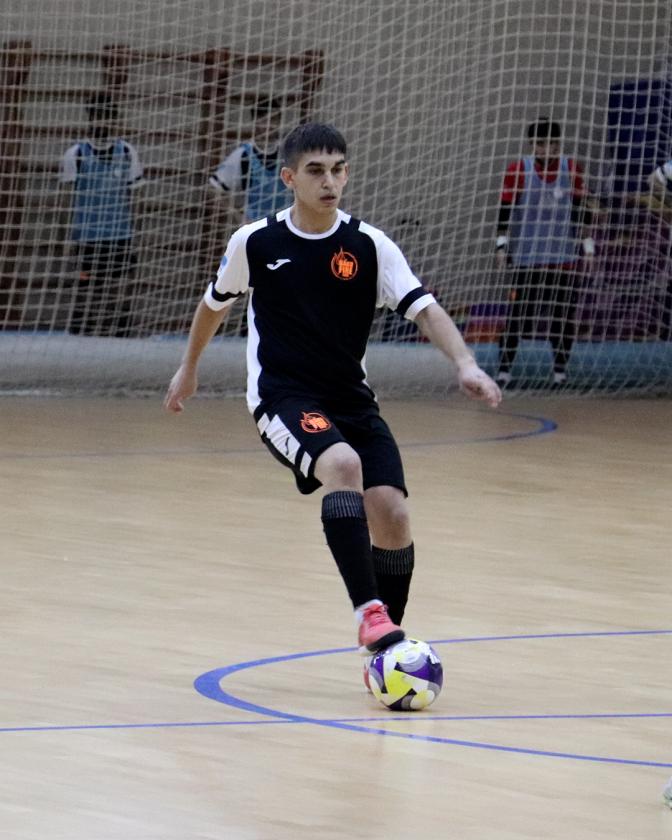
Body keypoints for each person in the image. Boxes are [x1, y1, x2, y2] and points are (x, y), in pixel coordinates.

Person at [165, 123, 501, 662]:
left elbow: (425, 309)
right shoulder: (255, 241)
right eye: (316, 171)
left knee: (392, 513)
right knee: (343, 466)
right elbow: (213, 304)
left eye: (338, 170)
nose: (329, 181)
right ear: (289, 178)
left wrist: (465, 363)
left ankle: (387, 645)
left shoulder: (369, 245)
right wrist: (189, 368)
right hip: (282, 398)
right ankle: (368, 612)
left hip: (351, 399)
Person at [494, 117, 595, 387]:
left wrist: (588, 246)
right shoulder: (518, 170)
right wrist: (501, 245)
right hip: (527, 258)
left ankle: (560, 372)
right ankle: (504, 371)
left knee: (562, 316)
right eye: (540, 143)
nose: (546, 149)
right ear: (532, 145)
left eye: (551, 143)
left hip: (563, 258)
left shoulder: (571, 169)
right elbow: (505, 210)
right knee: (518, 316)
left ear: (558, 144)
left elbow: (581, 210)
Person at [60, 92, 145, 336]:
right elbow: (65, 200)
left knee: (120, 286)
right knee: (86, 287)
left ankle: (120, 329)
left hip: (120, 233)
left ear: (114, 120)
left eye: (107, 117)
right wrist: (66, 237)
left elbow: (137, 196)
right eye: (98, 116)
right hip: (87, 235)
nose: (103, 122)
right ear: (91, 118)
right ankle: (81, 330)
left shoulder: (126, 151)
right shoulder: (76, 153)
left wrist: (137, 233)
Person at [208, 95, 290, 223]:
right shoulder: (244, 154)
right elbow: (213, 188)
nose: (269, 125)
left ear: (279, 121)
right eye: (264, 120)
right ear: (255, 121)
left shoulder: (288, 153)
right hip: (256, 228)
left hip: (286, 226)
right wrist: (239, 217)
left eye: (273, 119)